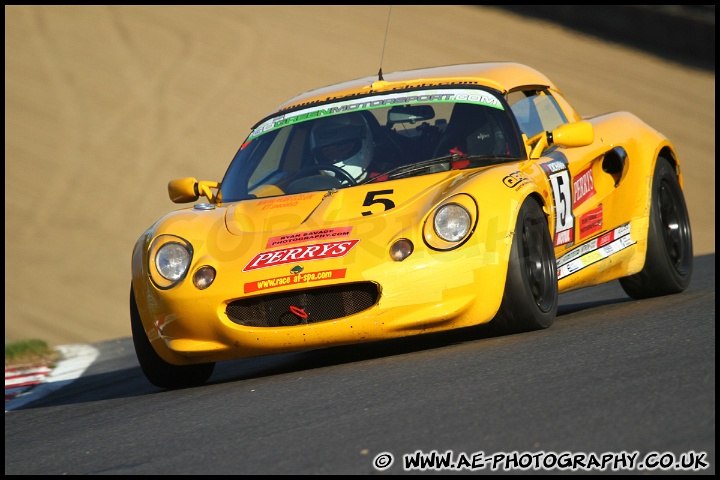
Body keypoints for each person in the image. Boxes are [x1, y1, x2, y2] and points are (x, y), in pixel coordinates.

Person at [310, 112, 374, 183]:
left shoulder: (383, 181)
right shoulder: (313, 188)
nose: (335, 158)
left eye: (341, 150)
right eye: (329, 154)